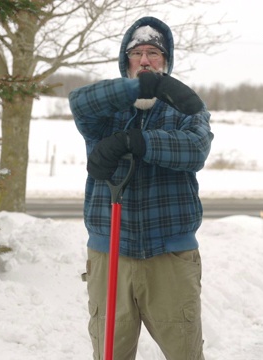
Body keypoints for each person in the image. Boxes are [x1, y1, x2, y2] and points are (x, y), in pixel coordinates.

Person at [69, 16, 213, 360]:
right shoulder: (107, 112)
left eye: (153, 54)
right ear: (126, 62)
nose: (145, 61)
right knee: (110, 354)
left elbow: (195, 148)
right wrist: (140, 88)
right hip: (110, 253)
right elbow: (78, 102)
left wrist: (137, 141)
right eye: (137, 54)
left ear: (166, 62)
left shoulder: (183, 109)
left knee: (185, 353)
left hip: (170, 257)